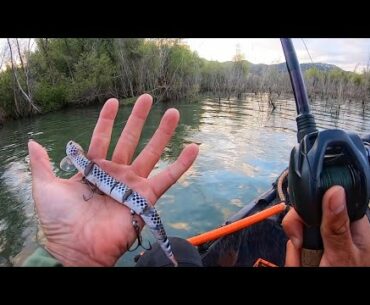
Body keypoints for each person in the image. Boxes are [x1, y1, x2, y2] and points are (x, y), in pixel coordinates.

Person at [23, 94, 370, 267]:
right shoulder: (84, 168)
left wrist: (61, 255)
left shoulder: (84, 169)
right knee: (176, 253)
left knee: (174, 252)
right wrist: (68, 250)